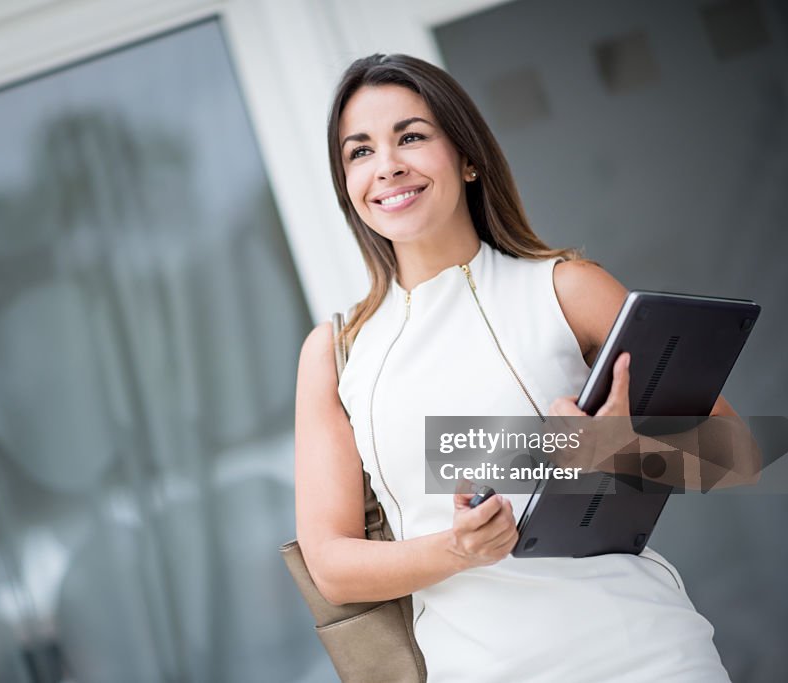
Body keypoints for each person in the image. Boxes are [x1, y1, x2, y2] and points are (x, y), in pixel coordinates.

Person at [294, 54, 740, 681]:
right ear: (347, 185)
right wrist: (456, 549)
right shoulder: (336, 353)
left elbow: (738, 455)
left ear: (468, 157)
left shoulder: (566, 288)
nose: (388, 165)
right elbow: (332, 564)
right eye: (359, 151)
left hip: (646, 654)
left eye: (412, 137)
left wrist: (623, 450)